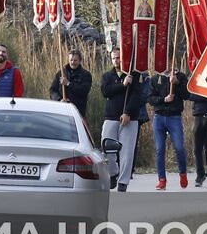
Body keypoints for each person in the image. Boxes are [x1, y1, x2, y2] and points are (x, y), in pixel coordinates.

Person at [100, 50, 145, 192]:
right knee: (107, 149)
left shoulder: (134, 75)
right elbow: (106, 92)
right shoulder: (107, 76)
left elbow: (137, 96)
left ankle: (123, 182)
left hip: (129, 119)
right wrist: (123, 85)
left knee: (126, 152)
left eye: (118, 57)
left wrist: (127, 112)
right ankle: (113, 172)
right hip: (111, 117)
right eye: (113, 58)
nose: (116, 60)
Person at [145, 69, 189, 189]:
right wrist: (163, 99)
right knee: (160, 150)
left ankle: (183, 172)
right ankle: (162, 179)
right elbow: (150, 98)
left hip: (174, 117)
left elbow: (187, 95)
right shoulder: (155, 78)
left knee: (179, 148)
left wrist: (177, 83)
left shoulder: (180, 76)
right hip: (159, 117)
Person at [49, 49, 93, 119]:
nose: (73, 62)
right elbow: (52, 90)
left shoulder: (85, 75)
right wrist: (59, 100)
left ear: (79, 61)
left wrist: (69, 84)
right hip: (61, 110)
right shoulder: (61, 73)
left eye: (75, 60)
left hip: (78, 112)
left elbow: (84, 90)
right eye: (71, 60)